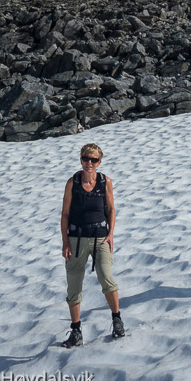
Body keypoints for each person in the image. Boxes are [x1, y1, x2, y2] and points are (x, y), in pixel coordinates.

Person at [60, 143, 125, 346]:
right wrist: (65, 242)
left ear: (99, 162)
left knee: (106, 277)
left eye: (94, 160)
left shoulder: (105, 182)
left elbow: (111, 209)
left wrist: (111, 234)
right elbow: (65, 213)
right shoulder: (73, 182)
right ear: (81, 159)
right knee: (74, 285)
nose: (90, 163)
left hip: (100, 237)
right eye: (86, 158)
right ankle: (76, 331)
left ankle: (117, 320)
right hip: (76, 239)